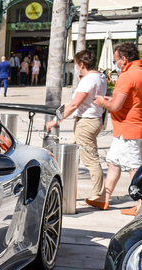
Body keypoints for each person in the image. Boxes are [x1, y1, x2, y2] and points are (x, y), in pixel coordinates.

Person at [46, 50, 107, 207]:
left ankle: (99, 196)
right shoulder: (100, 77)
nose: (77, 68)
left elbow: (74, 104)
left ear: (82, 64)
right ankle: (65, 189)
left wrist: (56, 121)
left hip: (86, 123)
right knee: (70, 155)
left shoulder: (88, 80)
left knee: (91, 159)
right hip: (94, 119)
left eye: (77, 65)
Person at [92, 42, 142, 215]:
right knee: (113, 162)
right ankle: (104, 199)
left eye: (115, 60)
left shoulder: (127, 75)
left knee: (134, 168)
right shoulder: (140, 72)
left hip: (128, 129)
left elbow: (115, 106)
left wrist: (101, 101)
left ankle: (141, 206)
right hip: (129, 128)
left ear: (124, 59)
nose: (115, 64)